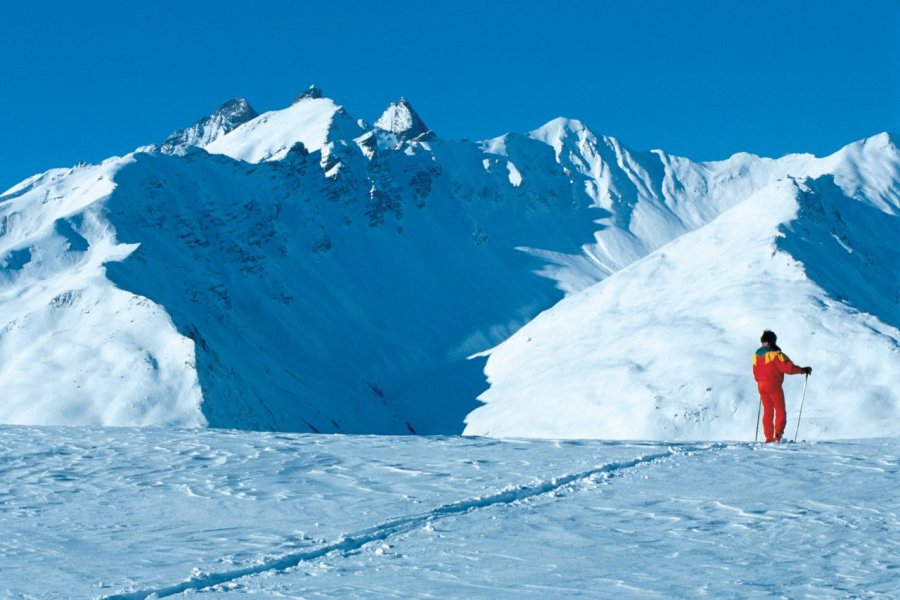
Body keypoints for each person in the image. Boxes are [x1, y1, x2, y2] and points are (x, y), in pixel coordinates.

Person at [752, 330, 812, 443]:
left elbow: (755, 371)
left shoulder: (756, 354)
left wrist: (760, 380)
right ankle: (777, 437)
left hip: (760, 385)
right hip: (773, 384)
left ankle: (769, 438)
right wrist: (803, 370)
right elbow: (789, 368)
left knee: (768, 411)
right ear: (772, 341)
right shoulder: (776, 354)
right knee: (780, 410)